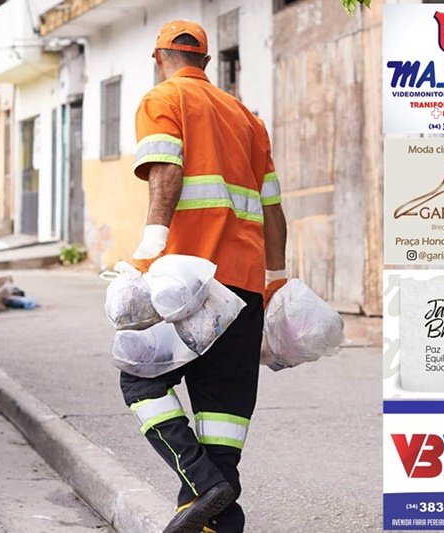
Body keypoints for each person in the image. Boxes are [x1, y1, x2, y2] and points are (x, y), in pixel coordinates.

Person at [120, 19, 289, 533]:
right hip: (244, 285)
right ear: (207, 62)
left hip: (185, 283)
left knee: (140, 379)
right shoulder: (248, 119)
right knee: (224, 411)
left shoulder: (162, 99)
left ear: (158, 58)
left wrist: (149, 248)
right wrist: (276, 280)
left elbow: (166, 172)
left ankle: (202, 482)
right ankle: (218, 521)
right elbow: (274, 210)